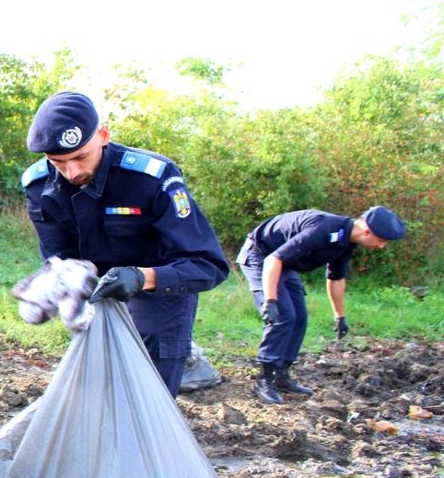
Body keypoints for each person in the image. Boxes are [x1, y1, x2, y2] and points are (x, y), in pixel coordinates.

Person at [20, 91, 229, 397]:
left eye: (80, 157)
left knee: (149, 387)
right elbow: (60, 255)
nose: (72, 173)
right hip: (100, 289)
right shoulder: (39, 185)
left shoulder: (151, 177)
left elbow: (208, 264)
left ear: (103, 135)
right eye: (59, 162)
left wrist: (141, 277)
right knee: (96, 383)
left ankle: (186, 363)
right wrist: (59, 281)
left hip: (160, 287)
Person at [236, 206, 406, 405]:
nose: (382, 246)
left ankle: (281, 375)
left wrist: (339, 316)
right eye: (382, 240)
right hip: (261, 257)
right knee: (284, 315)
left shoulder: (346, 242)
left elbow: (336, 278)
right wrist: (271, 301)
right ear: (367, 231)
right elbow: (274, 258)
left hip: (285, 264)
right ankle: (265, 378)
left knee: (300, 317)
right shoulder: (322, 228)